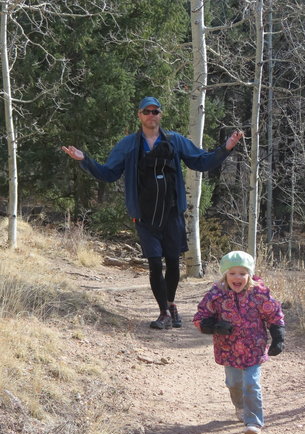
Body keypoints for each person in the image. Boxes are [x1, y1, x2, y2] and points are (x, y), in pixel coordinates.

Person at [62, 96, 243, 330]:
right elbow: (109, 174)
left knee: (173, 262)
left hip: (171, 213)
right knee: (156, 264)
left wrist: (227, 147)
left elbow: (201, 162)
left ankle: (171, 304)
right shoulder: (128, 145)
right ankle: (164, 312)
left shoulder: (175, 141)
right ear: (139, 115)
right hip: (144, 215)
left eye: (155, 111)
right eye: (146, 111)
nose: (151, 115)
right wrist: (84, 159)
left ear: (161, 114)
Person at [193, 251, 285, 434]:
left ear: (249, 275)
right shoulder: (216, 294)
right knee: (234, 383)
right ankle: (240, 406)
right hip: (228, 349)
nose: (237, 277)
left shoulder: (259, 293)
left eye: (242, 273)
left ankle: (253, 422)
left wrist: (278, 337)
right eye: (232, 273)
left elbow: (274, 314)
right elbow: (201, 317)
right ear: (225, 274)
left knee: (251, 383)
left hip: (254, 347)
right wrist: (214, 326)